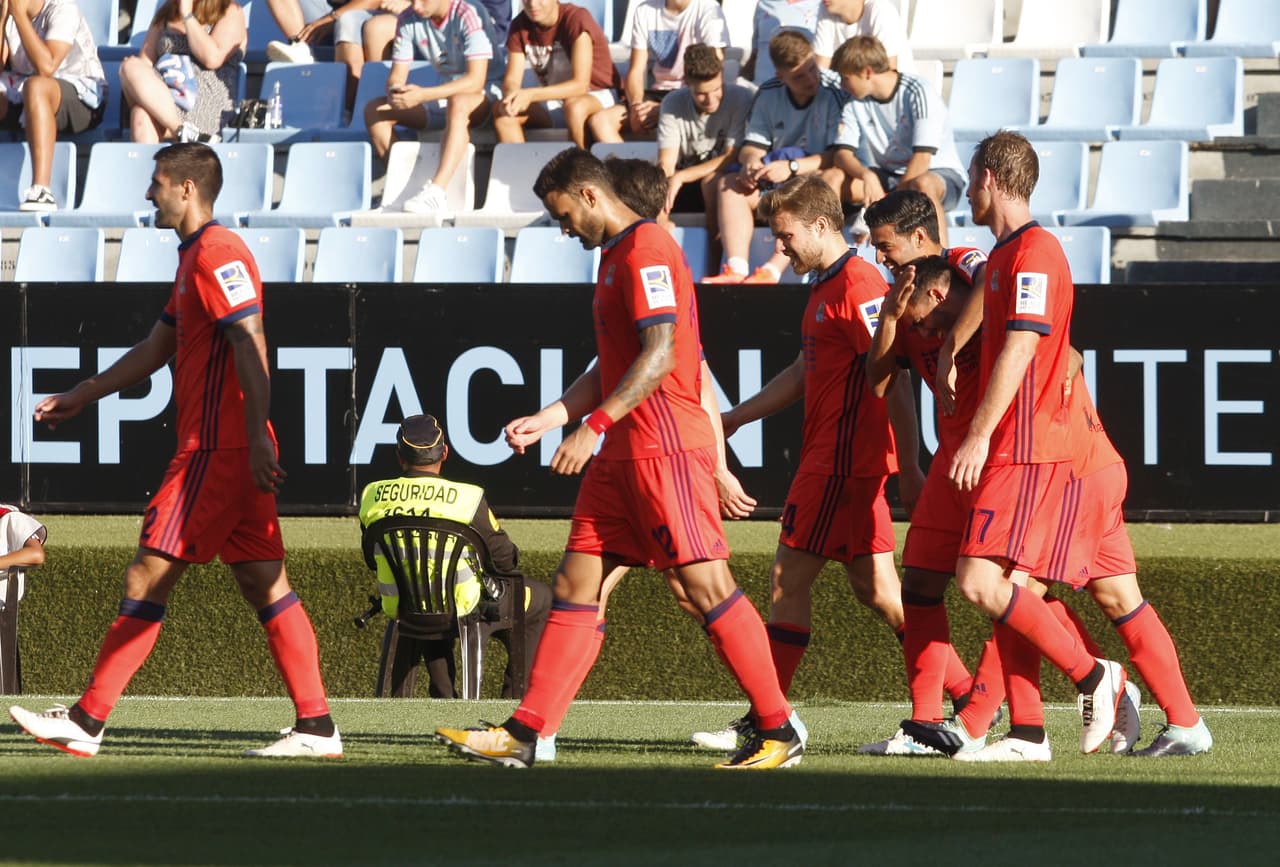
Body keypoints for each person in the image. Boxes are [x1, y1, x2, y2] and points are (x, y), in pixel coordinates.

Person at [434, 147, 803, 770]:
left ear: (589, 196)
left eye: (561, 215)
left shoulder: (648, 249)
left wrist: (593, 425)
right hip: (623, 456)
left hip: (664, 449)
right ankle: (528, 734)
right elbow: (613, 361)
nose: (562, 229)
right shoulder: (614, 257)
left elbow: (659, 355)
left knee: (705, 587)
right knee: (575, 586)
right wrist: (556, 416)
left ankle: (778, 729)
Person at [8, 143, 340, 760]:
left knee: (147, 573)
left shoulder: (217, 252)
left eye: (157, 182)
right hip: (234, 449)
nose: (148, 193)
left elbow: (252, 344)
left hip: (217, 450)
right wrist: (85, 392)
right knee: (266, 584)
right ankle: (317, 726)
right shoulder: (196, 258)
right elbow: (156, 347)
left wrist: (257, 437)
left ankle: (87, 718)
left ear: (187, 189)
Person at [689, 175, 974, 752]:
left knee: (785, 583)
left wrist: (910, 465)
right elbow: (805, 369)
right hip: (837, 461)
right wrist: (738, 417)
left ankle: (769, 718)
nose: (780, 247)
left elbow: (891, 376)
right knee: (883, 594)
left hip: (841, 464)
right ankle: (970, 700)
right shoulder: (827, 285)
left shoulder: (861, 285)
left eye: (787, 235)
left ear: (822, 225)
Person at [882, 267, 1211, 759]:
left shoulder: (989, 278)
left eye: (887, 246)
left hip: (1065, 467)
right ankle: (1186, 723)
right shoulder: (979, 292)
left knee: (1008, 589)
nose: (883, 259)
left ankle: (1021, 721)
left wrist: (962, 361)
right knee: (1120, 599)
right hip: (1092, 461)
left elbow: (1066, 354)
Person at [897, 130, 1129, 759]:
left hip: (1027, 447)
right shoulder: (1004, 256)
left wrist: (976, 435)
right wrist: (948, 347)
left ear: (991, 180)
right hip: (1011, 446)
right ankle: (1028, 731)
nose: (965, 191)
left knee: (980, 583)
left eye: (970, 180)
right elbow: (991, 315)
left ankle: (1093, 676)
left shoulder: (1037, 253)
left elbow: (1024, 346)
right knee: (997, 586)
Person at [358, 413, 551, 705]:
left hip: (405, 606)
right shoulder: (469, 498)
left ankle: (444, 693)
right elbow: (505, 560)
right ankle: (514, 703)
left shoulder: (372, 495)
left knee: (425, 596)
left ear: (399, 456)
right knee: (541, 598)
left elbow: (372, 559)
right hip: (465, 607)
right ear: (444, 453)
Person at [703, 29, 852, 285]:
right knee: (729, 185)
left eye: (811, 69)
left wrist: (792, 167)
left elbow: (838, 155)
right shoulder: (768, 92)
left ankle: (771, 271)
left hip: (811, 176)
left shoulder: (835, 90)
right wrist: (751, 163)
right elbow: (752, 146)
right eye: (799, 76)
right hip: (778, 178)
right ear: (780, 77)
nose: (810, 79)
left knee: (828, 179)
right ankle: (736, 268)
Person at [363, 0, 505, 217]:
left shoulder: (470, 13)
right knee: (375, 110)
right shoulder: (407, 17)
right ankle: (403, 187)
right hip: (443, 97)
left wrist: (423, 94)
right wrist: (397, 92)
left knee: (458, 101)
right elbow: (396, 75)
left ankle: (437, 191)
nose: (417, 6)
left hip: (486, 96)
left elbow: (476, 80)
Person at [830, 35, 966, 246]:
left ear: (867, 72)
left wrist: (885, 205)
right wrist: (866, 175)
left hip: (939, 174)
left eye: (845, 77)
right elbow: (841, 155)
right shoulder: (853, 100)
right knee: (834, 178)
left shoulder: (918, 92)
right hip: (887, 176)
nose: (841, 85)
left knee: (923, 184)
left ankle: (942, 265)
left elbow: (922, 159)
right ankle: (831, 260)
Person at [0, 0, 107, 211]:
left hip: (82, 95)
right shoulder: (7, 14)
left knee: (37, 86)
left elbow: (46, 66)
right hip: (26, 91)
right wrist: (3, 20)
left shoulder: (63, 8)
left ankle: (41, 190)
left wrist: (20, 17)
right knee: (33, 87)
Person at [588, 0, 728, 144]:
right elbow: (636, 69)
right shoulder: (645, 10)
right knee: (600, 122)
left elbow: (713, 73)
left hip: (693, 94)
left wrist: (666, 108)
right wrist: (636, 107)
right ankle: (629, 166)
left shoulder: (708, 9)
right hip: (658, 93)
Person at [495, 0, 620, 149]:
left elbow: (580, 85)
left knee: (575, 107)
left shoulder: (576, 18)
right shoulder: (519, 25)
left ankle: (581, 169)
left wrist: (530, 95)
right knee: (503, 111)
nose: (533, 4)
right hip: (554, 100)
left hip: (598, 94)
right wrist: (512, 97)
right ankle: (522, 170)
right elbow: (511, 80)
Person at [118, 0, 246, 143]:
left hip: (202, 98)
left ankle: (184, 132)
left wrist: (187, 15)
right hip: (164, 97)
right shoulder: (166, 13)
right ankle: (181, 131)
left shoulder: (229, 11)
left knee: (141, 111)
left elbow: (212, 58)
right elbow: (145, 63)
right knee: (130, 71)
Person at [655, 43, 752, 222]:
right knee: (653, 187)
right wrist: (662, 209)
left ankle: (714, 250)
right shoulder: (671, 103)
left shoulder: (740, 98)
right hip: (685, 186)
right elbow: (666, 163)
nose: (710, 100)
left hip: (720, 179)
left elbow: (731, 155)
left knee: (712, 183)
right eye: (701, 93)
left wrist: (681, 176)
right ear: (687, 83)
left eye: (716, 89)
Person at [813, 0, 913, 71]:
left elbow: (888, 71)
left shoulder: (881, 10)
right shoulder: (827, 7)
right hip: (850, 90)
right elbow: (821, 69)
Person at [741, 0, 820, 84]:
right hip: (762, 88)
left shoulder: (822, 5)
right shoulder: (763, 3)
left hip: (801, 91)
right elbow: (755, 53)